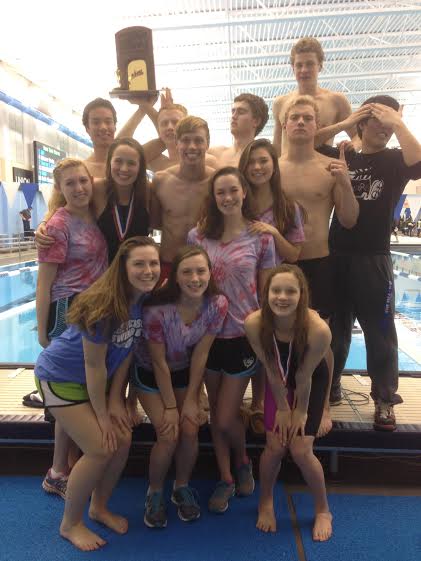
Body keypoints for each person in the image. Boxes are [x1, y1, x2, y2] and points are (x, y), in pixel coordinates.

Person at [34, 236, 161, 551]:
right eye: (139, 264)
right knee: (100, 447)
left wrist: (117, 400)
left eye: (154, 263)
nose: (148, 270)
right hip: (60, 379)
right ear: (123, 267)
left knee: (124, 439)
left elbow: (125, 351)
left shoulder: (141, 298)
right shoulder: (103, 305)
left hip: (93, 383)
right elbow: (94, 366)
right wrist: (103, 416)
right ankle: (70, 524)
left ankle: (99, 507)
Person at [328, 95, 421, 430]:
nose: (384, 130)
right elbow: (306, 140)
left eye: (389, 125)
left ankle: (384, 399)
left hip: (374, 257)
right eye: (377, 123)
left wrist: (399, 122)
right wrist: (344, 123)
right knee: (335, 330)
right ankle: (332, 385)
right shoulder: (345, 154)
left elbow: (420, 161)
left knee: (380, 331)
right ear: (362, 123)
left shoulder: (396, 159)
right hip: (337, 254)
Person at [188, 167, 276, 513]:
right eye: (220, 192)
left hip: (242, 334)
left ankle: (242, 460)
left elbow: (268, 291)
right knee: (216, 417)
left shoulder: (261, 238)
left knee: (225, 417)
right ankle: (227, 476)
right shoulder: (198, 237)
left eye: (232, 191)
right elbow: (190, 283)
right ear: (214, 197)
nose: (227, 198)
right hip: (207, 335)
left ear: (243, 193)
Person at [126, 246, 228, 528]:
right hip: (149, 373)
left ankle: (180, 487)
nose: (195, 278)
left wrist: (194, 398)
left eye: (200, 271)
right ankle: (155, 491)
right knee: (168, 433)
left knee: (191, 428)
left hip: (183, 371)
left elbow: (201, 354)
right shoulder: (157, 310)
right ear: (175, 277)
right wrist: (171, 407)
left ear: (210, 273)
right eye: (187, 272)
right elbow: (157, 363)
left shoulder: (217, 304)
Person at [279, 95, 359, 434]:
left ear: (316, 126)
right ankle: (271, 402)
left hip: (318, 262)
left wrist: (344, 183)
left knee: (320, 338)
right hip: (279, 265)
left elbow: (350, 219)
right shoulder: (270, 167)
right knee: (275, 336)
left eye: (306, 118)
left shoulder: (329, 168)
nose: (300, 122)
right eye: (294, 117)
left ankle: (323, 403)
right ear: (284, 125)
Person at [36, 158, 108, 498]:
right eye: (71, 184)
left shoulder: (92, 215)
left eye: (83, 181)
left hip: (92, 309)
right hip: (68, 309)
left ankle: (60, 469)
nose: (79, 188)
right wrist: (42, 329)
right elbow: (44, 281)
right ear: (60, 189)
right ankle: (59, 470)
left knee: (78, 394)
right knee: (72, 394)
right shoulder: (58, 225)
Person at [244, 264, 332, 541]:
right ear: (266, 293)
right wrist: (282, 408)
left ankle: (323, 510)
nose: (282, 297)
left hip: (310, 381)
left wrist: (301, 413)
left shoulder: (318, 330)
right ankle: (266, 501)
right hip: (278, 380)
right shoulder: (254, 323)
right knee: (274, 446)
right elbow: (271, 368)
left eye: (290, 291)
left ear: (301, 295)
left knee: (301, 450)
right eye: (276, 290)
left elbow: (304, 375)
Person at [238, 138, 305, 432]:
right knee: (242, 340)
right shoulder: (238, 200)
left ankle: (259, 403)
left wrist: (273, 233)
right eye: (251, 162)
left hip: (274, 289)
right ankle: (239, 401)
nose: (257, 167)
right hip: (241, 283)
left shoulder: (287, 206)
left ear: (274, 165)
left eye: (263, 161)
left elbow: (294, 255)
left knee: (266, 343)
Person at [36, 137, 150, 263]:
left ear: (140, 166)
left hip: (138, 274)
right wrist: (44, 223)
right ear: (109, 162)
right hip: (104, 276)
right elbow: (62, 202)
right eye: (118, 161)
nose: (124, 168)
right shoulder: (97, 188)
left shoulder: (147, 191)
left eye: (131, 163)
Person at [150, 116, 216, 281]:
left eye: (198, 140)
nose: (192, 146)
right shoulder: (161, 180)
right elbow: (155, 224)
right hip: (168, 264)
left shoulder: (217, 182)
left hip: (205, 268)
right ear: (176, 143)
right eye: (185, 140)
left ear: (207, 143)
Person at [272, 37, 363, 155]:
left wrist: (353, 147)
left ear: (320, 66)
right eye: (299, 65)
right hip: (287, 172)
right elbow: (277, 148)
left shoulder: (336, 101)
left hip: (321, 170)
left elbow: (359, 136)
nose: (304, 70)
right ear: (292, 68)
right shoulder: (280, 103)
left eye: (310, 64)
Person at [82, 97, 164, 179]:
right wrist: (144, 107)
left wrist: (145, 105)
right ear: (87, 129)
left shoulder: (133, 158)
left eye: (108, 122)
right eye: (96, 122)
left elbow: (166, 139)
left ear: (115, 126)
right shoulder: (82, 170)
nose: (103, 127)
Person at [208, 93, 269, 167]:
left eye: (241, 112)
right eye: (233, 111)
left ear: (256, 121)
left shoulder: (263, 158)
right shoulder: (215, 154)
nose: (233, 116)